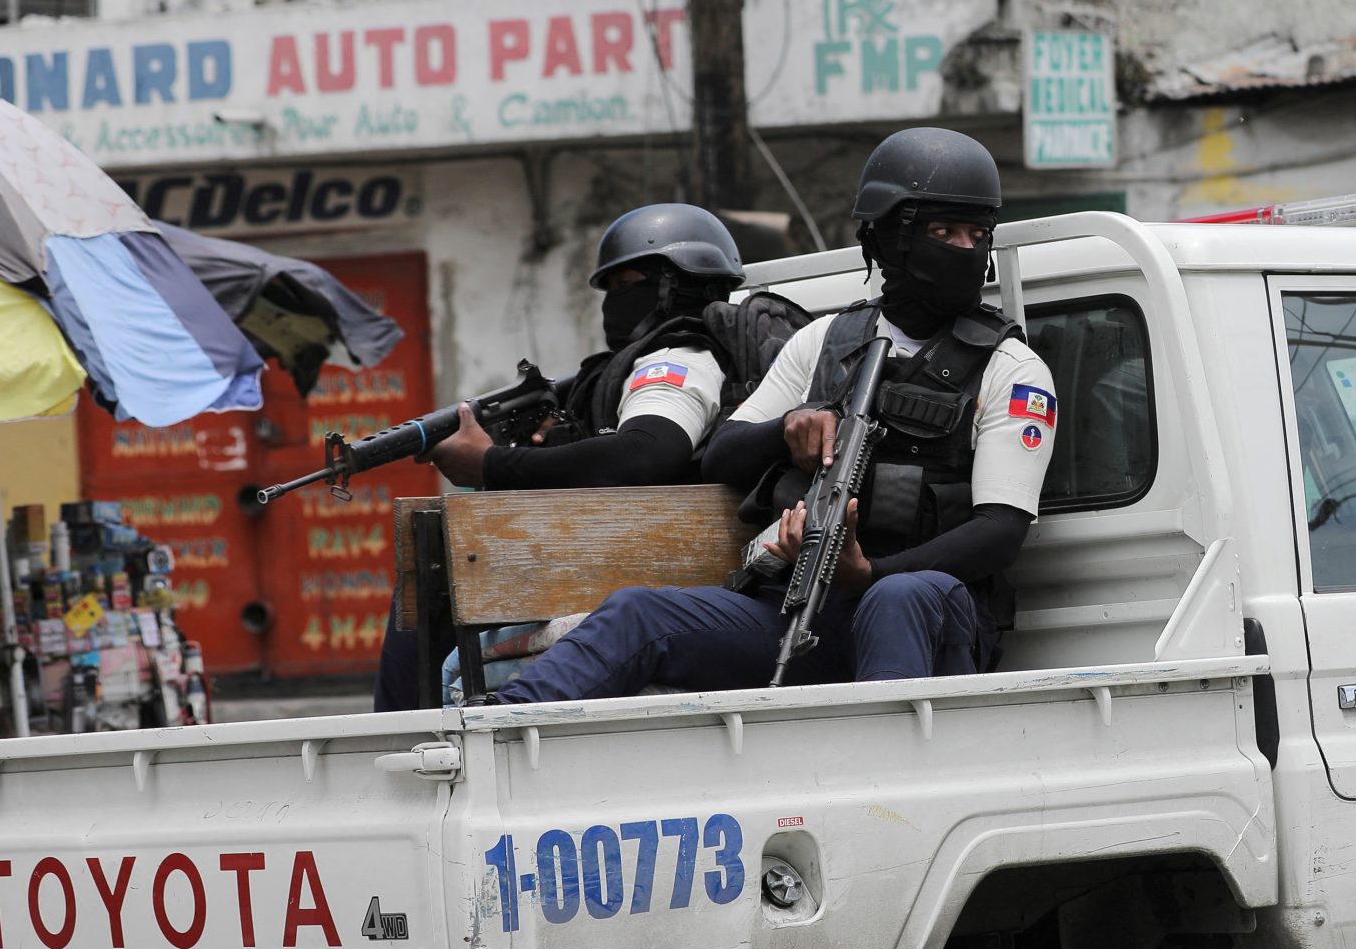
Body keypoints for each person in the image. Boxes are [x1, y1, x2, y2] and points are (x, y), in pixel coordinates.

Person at [491, 127, 1055, 702]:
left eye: (976, 234)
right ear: (889, 237)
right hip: (802, 608)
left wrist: (869, 574)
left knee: (900, 596)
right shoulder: (825, 341)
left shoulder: (1012, 368)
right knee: (637, 613)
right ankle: (493, 733)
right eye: (943, 231)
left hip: (931, 622)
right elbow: (723, 455)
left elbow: (999, 533)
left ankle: (885, 784)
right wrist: (791, 430)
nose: (964, 248)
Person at [369, 204, 751, 709]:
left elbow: (647, 453)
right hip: (611, 566)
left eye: (627, 285)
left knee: (439, 566)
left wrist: (490, 465)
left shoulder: (680, 358)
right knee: (434, 562)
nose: (613, 303)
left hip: (650, 579)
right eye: (607, 289)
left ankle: (398, 731)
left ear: (675, 285)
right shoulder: (633, 366)